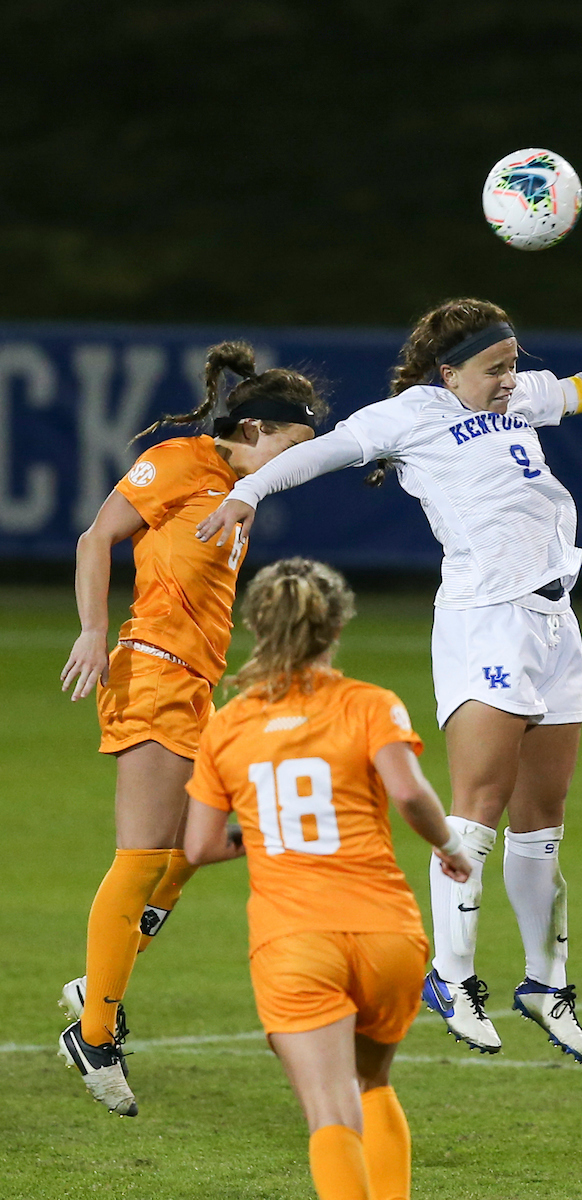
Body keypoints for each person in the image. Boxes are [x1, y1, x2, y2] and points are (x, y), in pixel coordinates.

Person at [196, 298, 582, 1062]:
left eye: (513, 363)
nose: (509, 378)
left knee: (543, 818)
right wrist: (244, 493)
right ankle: (451, 976)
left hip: (556, 623)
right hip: (486, 621)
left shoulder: (521, 397)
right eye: (495, 367)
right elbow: (315, 455)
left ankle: (544, 983)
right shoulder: (408, 416)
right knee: (479, 807)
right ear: (449, 371)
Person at [57, 341, 329, 1117]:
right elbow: (94, 538)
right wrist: (90, 629)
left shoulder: (245, 488)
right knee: (143, 856)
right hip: (151, 671)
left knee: (206, 842)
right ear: (255, 428)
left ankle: (101, 975)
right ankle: (95, 1031)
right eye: (292, 444)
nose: (295, 462)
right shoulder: (182, 461)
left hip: (195, 685)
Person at [183, 557, 469, 1200]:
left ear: (255, 626)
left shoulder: (227, 726)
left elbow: (198, 845)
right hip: (388, 934)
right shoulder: (370, 705)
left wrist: (258, 834)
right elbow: (410, 793)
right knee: (373, 1085)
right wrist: (450, 846)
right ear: (335, 627)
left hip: (296, 941)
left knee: (329, 1113)